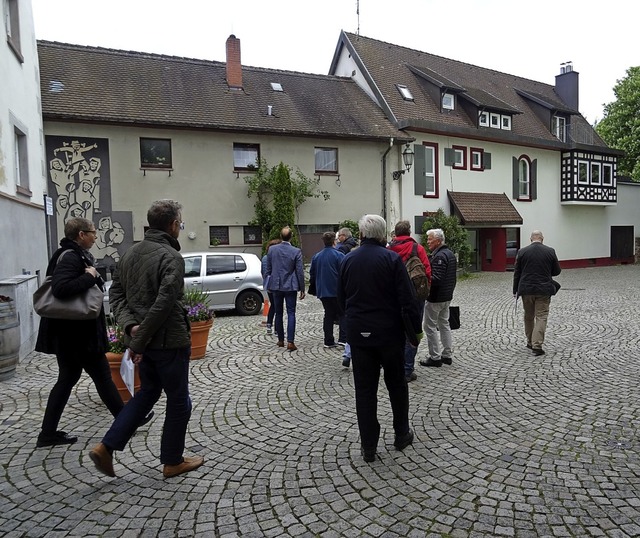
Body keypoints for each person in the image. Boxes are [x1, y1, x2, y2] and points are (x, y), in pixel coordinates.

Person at [88, 200, 204, 479]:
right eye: (181, 223)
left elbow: (115, 296)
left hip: (146, 342)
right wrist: (136, 336)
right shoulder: (171, 257)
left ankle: (106, 446)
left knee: (148, 393)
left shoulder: (129, 254)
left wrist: (131, 329)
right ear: (174, 225)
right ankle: (172, 461)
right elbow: (164, 304)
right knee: (179, 402)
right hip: (169, 342)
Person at [34, 217, 140, 448]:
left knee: (69, 379)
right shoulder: (70, 257)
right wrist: (89, 276)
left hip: (70, 335)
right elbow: (61, 289)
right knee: (102, 376)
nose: (95, 236)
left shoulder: (71, 254)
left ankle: (47, 433)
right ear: (81, 235)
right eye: (92, 232)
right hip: (76, 336)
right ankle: (126, 423)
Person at [338, 214, 423, 462]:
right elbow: (408, 300)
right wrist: (414, 333)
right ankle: (401, 434)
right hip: (389, 334)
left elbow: (341, 300)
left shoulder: (348, 260)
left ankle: (369, 446)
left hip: (360, 336)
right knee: (397, 385)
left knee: (364, 391)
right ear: (383, 234)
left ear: (362, 234)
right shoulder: (392, 259)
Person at [388, 220, 432, 382]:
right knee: (413, 332)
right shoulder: (417, 248)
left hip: (393, 297)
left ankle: (395, 366)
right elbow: (427, 271)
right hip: (414, 297)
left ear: (396, 233)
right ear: (409, 231)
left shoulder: (388, 249)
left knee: (394, 332)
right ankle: (407, 369)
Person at [512, 230, 561, 356]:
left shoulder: (522, 252)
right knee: (541, 316)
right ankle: (537, 345)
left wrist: (515, 290)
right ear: (542, 239)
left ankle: (529, 341)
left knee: (528, 316)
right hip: (543, 290)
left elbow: (517, 272)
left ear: (530, 239)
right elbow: (557, 271)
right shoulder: (550, 251)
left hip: (526, 289)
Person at [420, 228, 457, 368]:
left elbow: (437, 279)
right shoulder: (450, 254)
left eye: (430, 239)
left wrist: (424, 280)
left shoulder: (440, 256)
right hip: (447, 296)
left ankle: (435, 357)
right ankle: (447, 355)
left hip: (436, 298)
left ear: (438, 240)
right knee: (444, 324)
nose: (428, 241)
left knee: (429, 327)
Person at [265, 226, 305, 351]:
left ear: (281, 236)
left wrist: (269, 283)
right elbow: (299, 271)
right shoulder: (296, 251)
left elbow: (268, 269)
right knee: (291, 313)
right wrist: (302, 288)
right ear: (291, 237)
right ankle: (290, 342)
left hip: (276, 285)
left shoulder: (272, 250)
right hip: (290, 285)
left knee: (278, 312)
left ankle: (280, 340)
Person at [309, 231, 346, 349]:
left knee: (328, 315)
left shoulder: (316, 256)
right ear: (334, 241)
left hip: (323, 291)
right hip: (337, 290)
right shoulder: (339, 256)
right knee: (342, 314)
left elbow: (312, 274)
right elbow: (344, 273)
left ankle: (328, 340)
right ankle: (343, 338)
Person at [261, 239, 281, 335]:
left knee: (272, 305)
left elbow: (263, 272)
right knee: (278, 307)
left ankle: (269, 325)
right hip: (275, 285)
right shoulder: (274, 258)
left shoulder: (264, 258)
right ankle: (277, 329)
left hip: (268, 284)